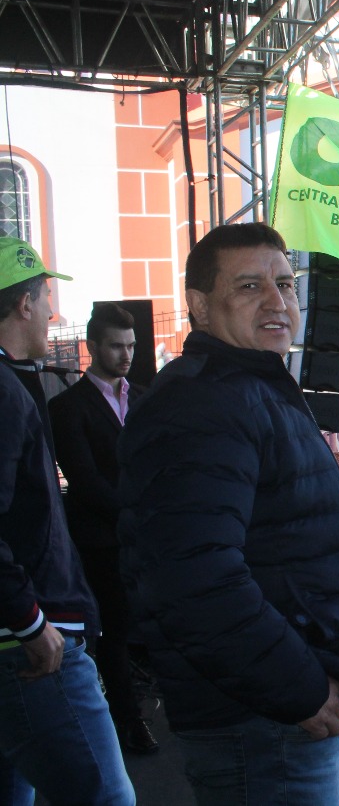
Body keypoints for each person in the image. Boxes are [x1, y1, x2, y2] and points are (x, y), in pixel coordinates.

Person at [117, 224, 339, 804]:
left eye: (286, 284)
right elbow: (193, 578)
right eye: (250, 286)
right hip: (260, 724)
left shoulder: (249, 387)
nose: (277, 301)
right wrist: (298, 688)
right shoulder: (201, 402)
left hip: (269, 716)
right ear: (200, 306)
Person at [0, 237, 134, 803]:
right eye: (46, 298)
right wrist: (31, 622)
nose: (52, 313)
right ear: (24, 304)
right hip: (32, 643)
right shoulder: (7, 391)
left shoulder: (16, 383)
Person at [47, 302, 158, 755]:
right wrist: (138, 516)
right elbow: (85, 480)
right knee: (114, 632)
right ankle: (128, 722)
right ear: (92, 346)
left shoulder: (147, 397)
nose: (126, 354)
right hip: (104, 539)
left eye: (131, 345)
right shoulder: (66, 407)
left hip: (148, 533)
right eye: (116, 346)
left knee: (160, 620)